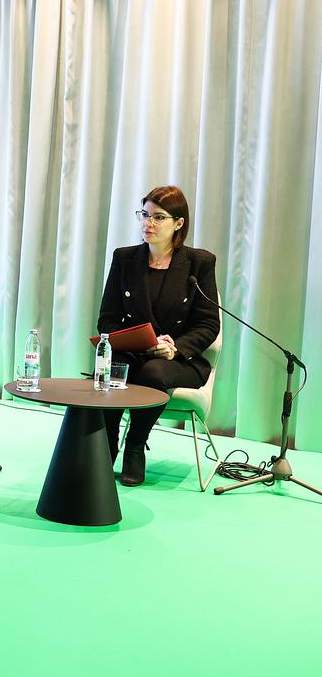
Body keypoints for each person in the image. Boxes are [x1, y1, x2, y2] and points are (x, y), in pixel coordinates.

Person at [97, 185, 220, 486]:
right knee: (113, 366)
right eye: (144, 215)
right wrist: (131, 339)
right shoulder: (125, 258)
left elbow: (208, 324)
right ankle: (106, 445)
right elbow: (107, 319)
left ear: (178, 223)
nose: (148, 223)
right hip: (132, 352)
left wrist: (175, 347)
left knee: (153, 372)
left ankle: (135, 447)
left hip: (178, 360)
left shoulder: (200, 263)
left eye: (158, 217)